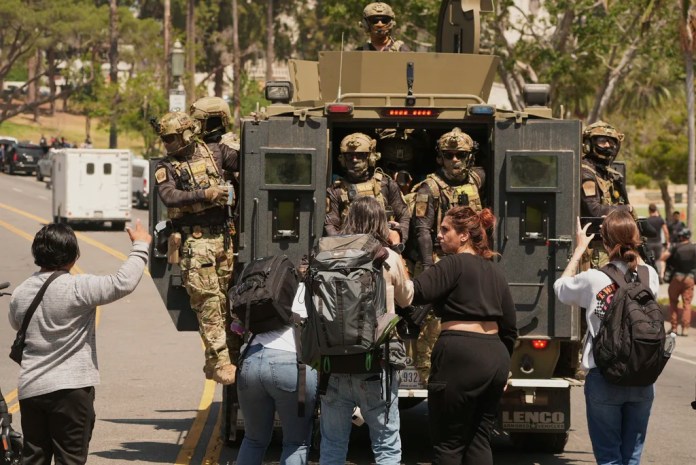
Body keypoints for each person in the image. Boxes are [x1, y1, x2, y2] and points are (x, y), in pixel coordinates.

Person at [8, 220, 151, 465]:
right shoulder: (77, 287)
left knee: (33, 459)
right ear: (73, 255)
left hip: (31, 390)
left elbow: (16, 324)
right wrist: (140, 245)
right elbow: (122, 283)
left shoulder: (21, 292)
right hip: (71, 392)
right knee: (70, 459)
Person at [410, 206, 516, 465]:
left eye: (445, 230)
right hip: (495, 358)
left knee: (448, 443)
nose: (439, 235)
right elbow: (510, 328)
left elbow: (417, 292)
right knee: (479, 439)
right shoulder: (495, 272)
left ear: (465, 236)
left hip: (459, 359)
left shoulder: (452, 263)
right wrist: (502, 368)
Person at [553, 210, 659, 465]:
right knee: (631, 457)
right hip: (642, 377)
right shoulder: (650, 276)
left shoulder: (594, 278)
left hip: (605, 376)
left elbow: (560, 289)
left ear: (605, 242)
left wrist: (579, 250)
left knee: (609, 458)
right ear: (636, 239)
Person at [319, 196, 413, 465]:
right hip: (376, 361)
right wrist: (399, 254)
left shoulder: (328, 253)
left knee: (333, 446)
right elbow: (407, 298)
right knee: (386, 446)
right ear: (381, 223)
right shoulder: (388, 257)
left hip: (334, 361)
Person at [153, 111, 238, 385]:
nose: (166, 143)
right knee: (208, 302)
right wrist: (205, 194)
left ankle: (214, 359)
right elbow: (169, 196)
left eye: (170, 138)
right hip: (195, 243)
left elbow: (247, 161)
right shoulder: (167, 167)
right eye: (164, 139)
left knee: (224, 304)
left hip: (224, 238)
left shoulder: (215, 152)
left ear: (187, 134)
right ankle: (223, 362)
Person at [410, 127, 485, 383]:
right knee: (429, 320)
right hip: (437, 259)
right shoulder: (429, 188)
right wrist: (430, 265)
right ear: (439, 157)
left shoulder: (474, 180)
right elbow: (421, 229)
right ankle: (426, 373)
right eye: (449, 154)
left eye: (460, 155)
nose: (455, 160)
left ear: (469, 157)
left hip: (468, 258)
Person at [236, 281, 318, 464]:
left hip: (251, 361)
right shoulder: (306, 289)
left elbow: (237, 327)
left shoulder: (266, 290)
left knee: (253, 440)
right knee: (296, 443)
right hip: (290, 364)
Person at [325, 132, 410, 246]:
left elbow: (403, 215)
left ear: (370, 157)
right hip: (351, 249)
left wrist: (398, 240)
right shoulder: (336, 190)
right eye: (349, 156)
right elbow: (331, 225)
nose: (354, 160)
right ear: (343, 159)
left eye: (360, 155)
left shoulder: (386, 184)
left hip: (384, 247)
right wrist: (341, 248)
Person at [580, 120, 634, 269]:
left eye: (611, 141)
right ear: (588, 143)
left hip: (610, 244)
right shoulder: (586, 172)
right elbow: (595, 211)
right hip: (596, 247)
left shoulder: (607, 173)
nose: (608, 145)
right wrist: (626, 210)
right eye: (602, 141)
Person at [664, 228, 696, 336]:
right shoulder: (694, 247)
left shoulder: (676, 247)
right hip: (690, 279)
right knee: (687, 304)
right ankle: (685, 329)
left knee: (673, 302)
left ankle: (674, 328)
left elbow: (663, 257)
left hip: (676, 278)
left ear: (681, 237)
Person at [644, 203, 670, 281]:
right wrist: (668, 241)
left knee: (650, 259)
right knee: (659, 259)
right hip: (658, 242)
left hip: (649, 243)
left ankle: (652, 276)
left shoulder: (647, 220)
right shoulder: (660, 219)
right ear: (656, 209)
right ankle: (660, 275)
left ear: (649, 210)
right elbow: (666, 231)